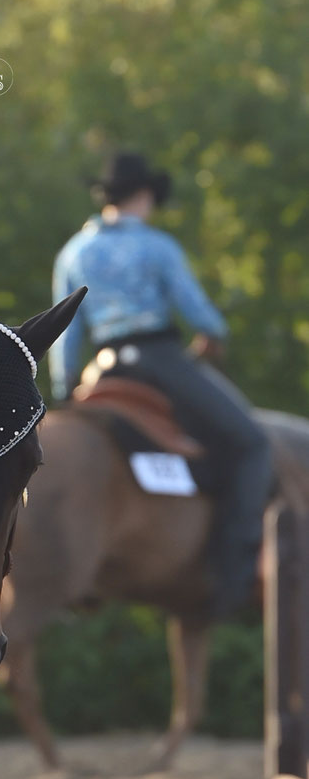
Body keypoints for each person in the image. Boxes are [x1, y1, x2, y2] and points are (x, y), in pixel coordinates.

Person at [51, 150, 272, 617]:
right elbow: (199, 313)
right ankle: (232, 580)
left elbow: (65, 336)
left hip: (105, 370)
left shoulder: (73, 252)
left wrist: (65, 393)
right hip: (161, 359)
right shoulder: (157, 247)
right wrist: (214, 335)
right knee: (252, 444)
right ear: (146, 195)